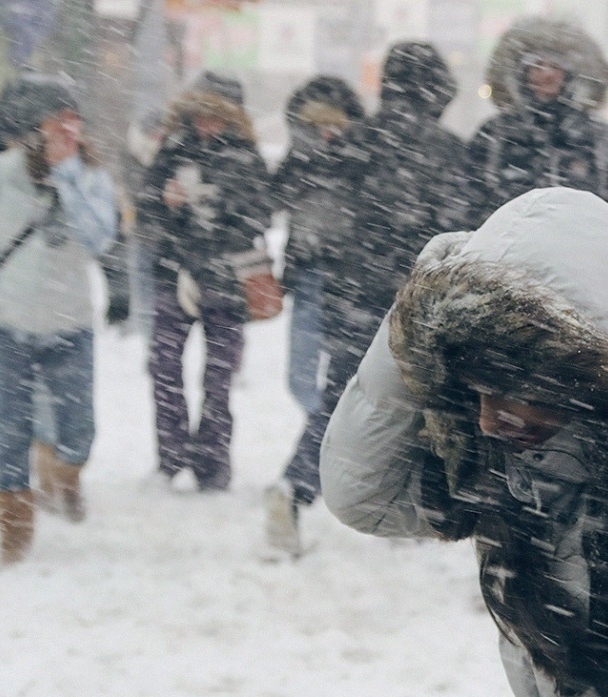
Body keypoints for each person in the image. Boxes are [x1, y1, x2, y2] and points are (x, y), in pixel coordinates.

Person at [320, 188, 608, 696]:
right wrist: (417, 318)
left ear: (587, 377)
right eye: (474, 391)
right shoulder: (505, 471)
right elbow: (361, 495)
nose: (488, 420)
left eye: (513, 390)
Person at [265, 42, 465, 555]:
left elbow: (313, 207)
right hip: (421, 297)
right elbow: (464, 230)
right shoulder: (447, 151)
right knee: (426, 402)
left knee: (342, 397)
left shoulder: (355, 142)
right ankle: (415, 506)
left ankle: (295, 487)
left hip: (351, 292)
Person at [0, 75, 118, 563]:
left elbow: (99, 239)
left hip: (71, 324)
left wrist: (67, 175)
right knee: (12, 426)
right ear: (32, 129)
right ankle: (13, 522)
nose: (67, 132)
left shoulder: (90, 179)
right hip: (6, 327)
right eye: (56, 124)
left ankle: (64, 471)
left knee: (78, 427)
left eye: (73, 123)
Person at [137, 72, 270, 491]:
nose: (205, 124)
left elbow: (257, 217)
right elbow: (146, 209)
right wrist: (166, 202)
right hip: (174, 276)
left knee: (218, 378)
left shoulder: (247, 159)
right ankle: (171, 457)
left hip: (225, 284)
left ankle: (212, 463)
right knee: (163, 367)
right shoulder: (173, 150)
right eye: (199, 115)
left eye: (214, 116)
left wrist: (215, 204)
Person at [462, 16, 608, 243]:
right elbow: (466, 204)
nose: (546, 74)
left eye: (555, 66)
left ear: (569, 74)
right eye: (537, 65)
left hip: (581, 264)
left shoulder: (602, 140)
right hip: (502, 267)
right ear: (521, 73)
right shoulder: (493, 136)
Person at [270, 76, 365, 416]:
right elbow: (272, 199)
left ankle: (323, 434)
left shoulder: (361, 161)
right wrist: (304, 159)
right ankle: (322, 426)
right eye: (318, 125)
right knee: (300, 376)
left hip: (351, 277)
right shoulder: (297, 161)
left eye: (335, 124)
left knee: (348, 372)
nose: (327, 132)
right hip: (306, 274)